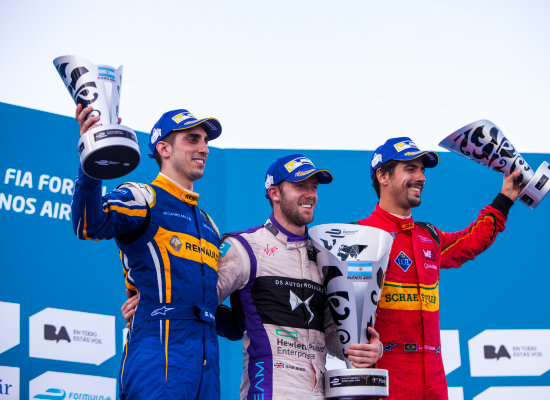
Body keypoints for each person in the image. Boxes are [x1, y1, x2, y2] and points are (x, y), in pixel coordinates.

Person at [123, 153, 383, 399]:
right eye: (300, 186)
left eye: (314, 187)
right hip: (269, 390)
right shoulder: (244, 247)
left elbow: (332, 335)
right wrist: (151, 303)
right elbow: (199, 301)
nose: (310, 195)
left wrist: (364, 348)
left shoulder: (327, 255)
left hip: (319, 391)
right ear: (275, 193)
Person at [71, 105, 223, 400]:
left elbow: (209, 304)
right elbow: (87, 224)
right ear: (163, 148)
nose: (203, 148)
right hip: (158, 355)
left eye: (206, 141)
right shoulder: (144, 197)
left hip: (207, 363)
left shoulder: (209, 225)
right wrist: (92, 154)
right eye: (192, 139)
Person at [358, 137, 523, 400]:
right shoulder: (359, 236)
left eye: (422, 170)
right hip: (386, 378)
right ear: (382, 176)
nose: (421, 177)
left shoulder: (429, 236)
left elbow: (471, 241)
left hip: (434, 380)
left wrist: (505, 199)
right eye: (410, 169)